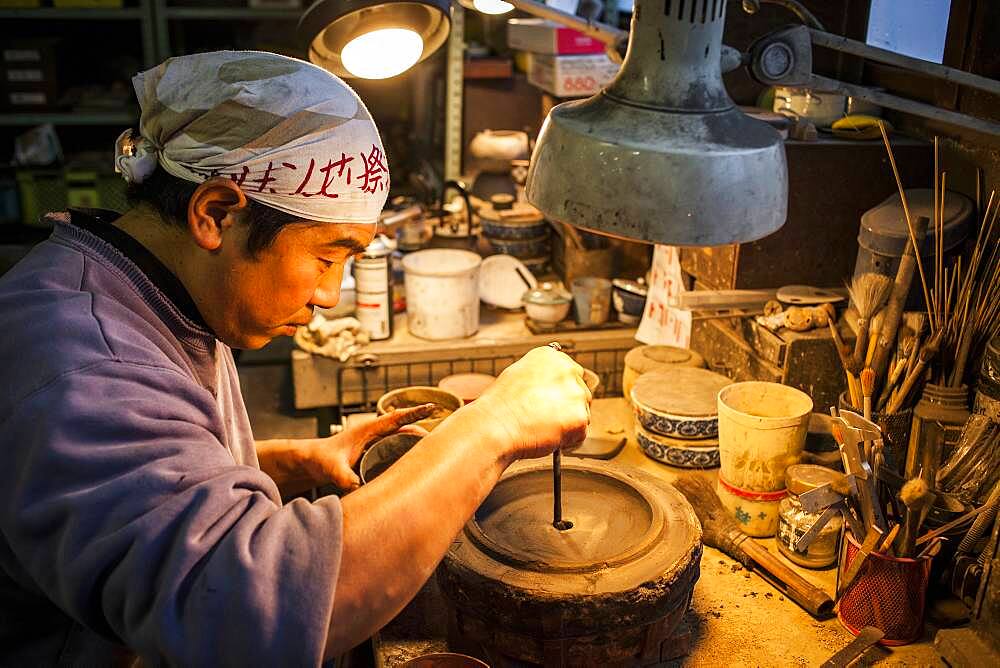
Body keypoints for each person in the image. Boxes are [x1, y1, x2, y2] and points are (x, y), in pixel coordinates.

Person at [0, 51, 590, 666]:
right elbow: (248, 618)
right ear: (216, 213)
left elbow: (149, 474)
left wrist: (285, 463)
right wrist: (494, 425)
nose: (329, 295)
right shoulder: (87, 368)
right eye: (327, 257)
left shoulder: (145, 290)